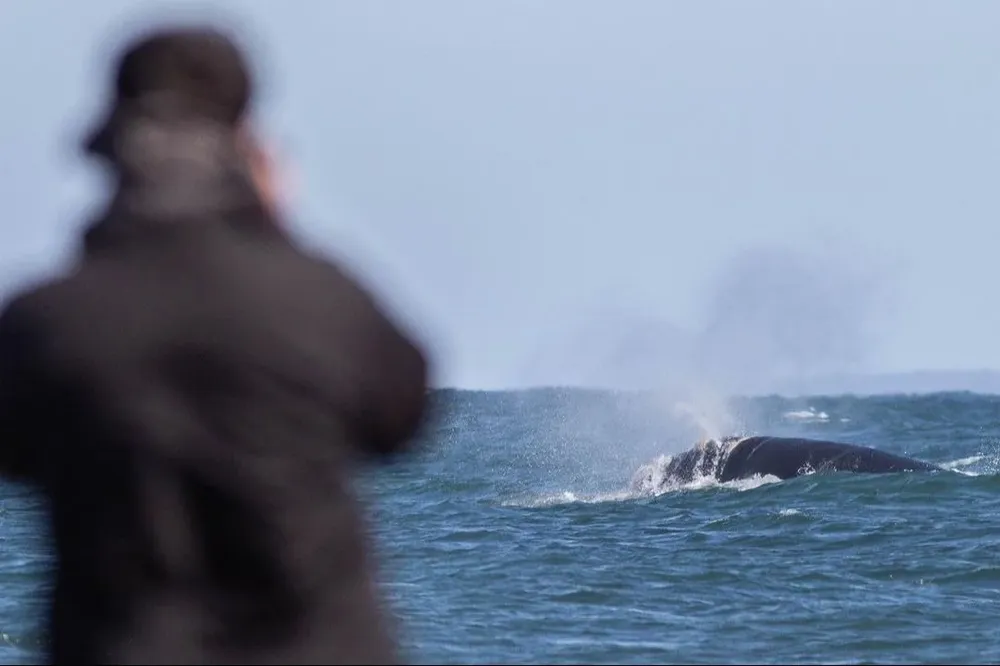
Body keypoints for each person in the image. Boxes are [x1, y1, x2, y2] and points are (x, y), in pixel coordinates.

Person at [0, 23, 431, 665]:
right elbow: (401, 415)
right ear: (249, 148)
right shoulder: (317, 298)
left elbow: (18, 451)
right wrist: (268, 232)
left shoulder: (48, 320)